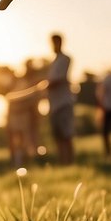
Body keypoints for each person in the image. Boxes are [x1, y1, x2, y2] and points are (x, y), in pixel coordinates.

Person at [44, 34, 75, 165]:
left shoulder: (65, 59)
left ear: (60, 42)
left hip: (63, 103)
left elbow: (58, 79)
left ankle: (70, 161)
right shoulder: (53, 62)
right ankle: (62, 161)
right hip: (53, 105)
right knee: (57, 136)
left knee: (66, 134)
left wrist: (46, 85)